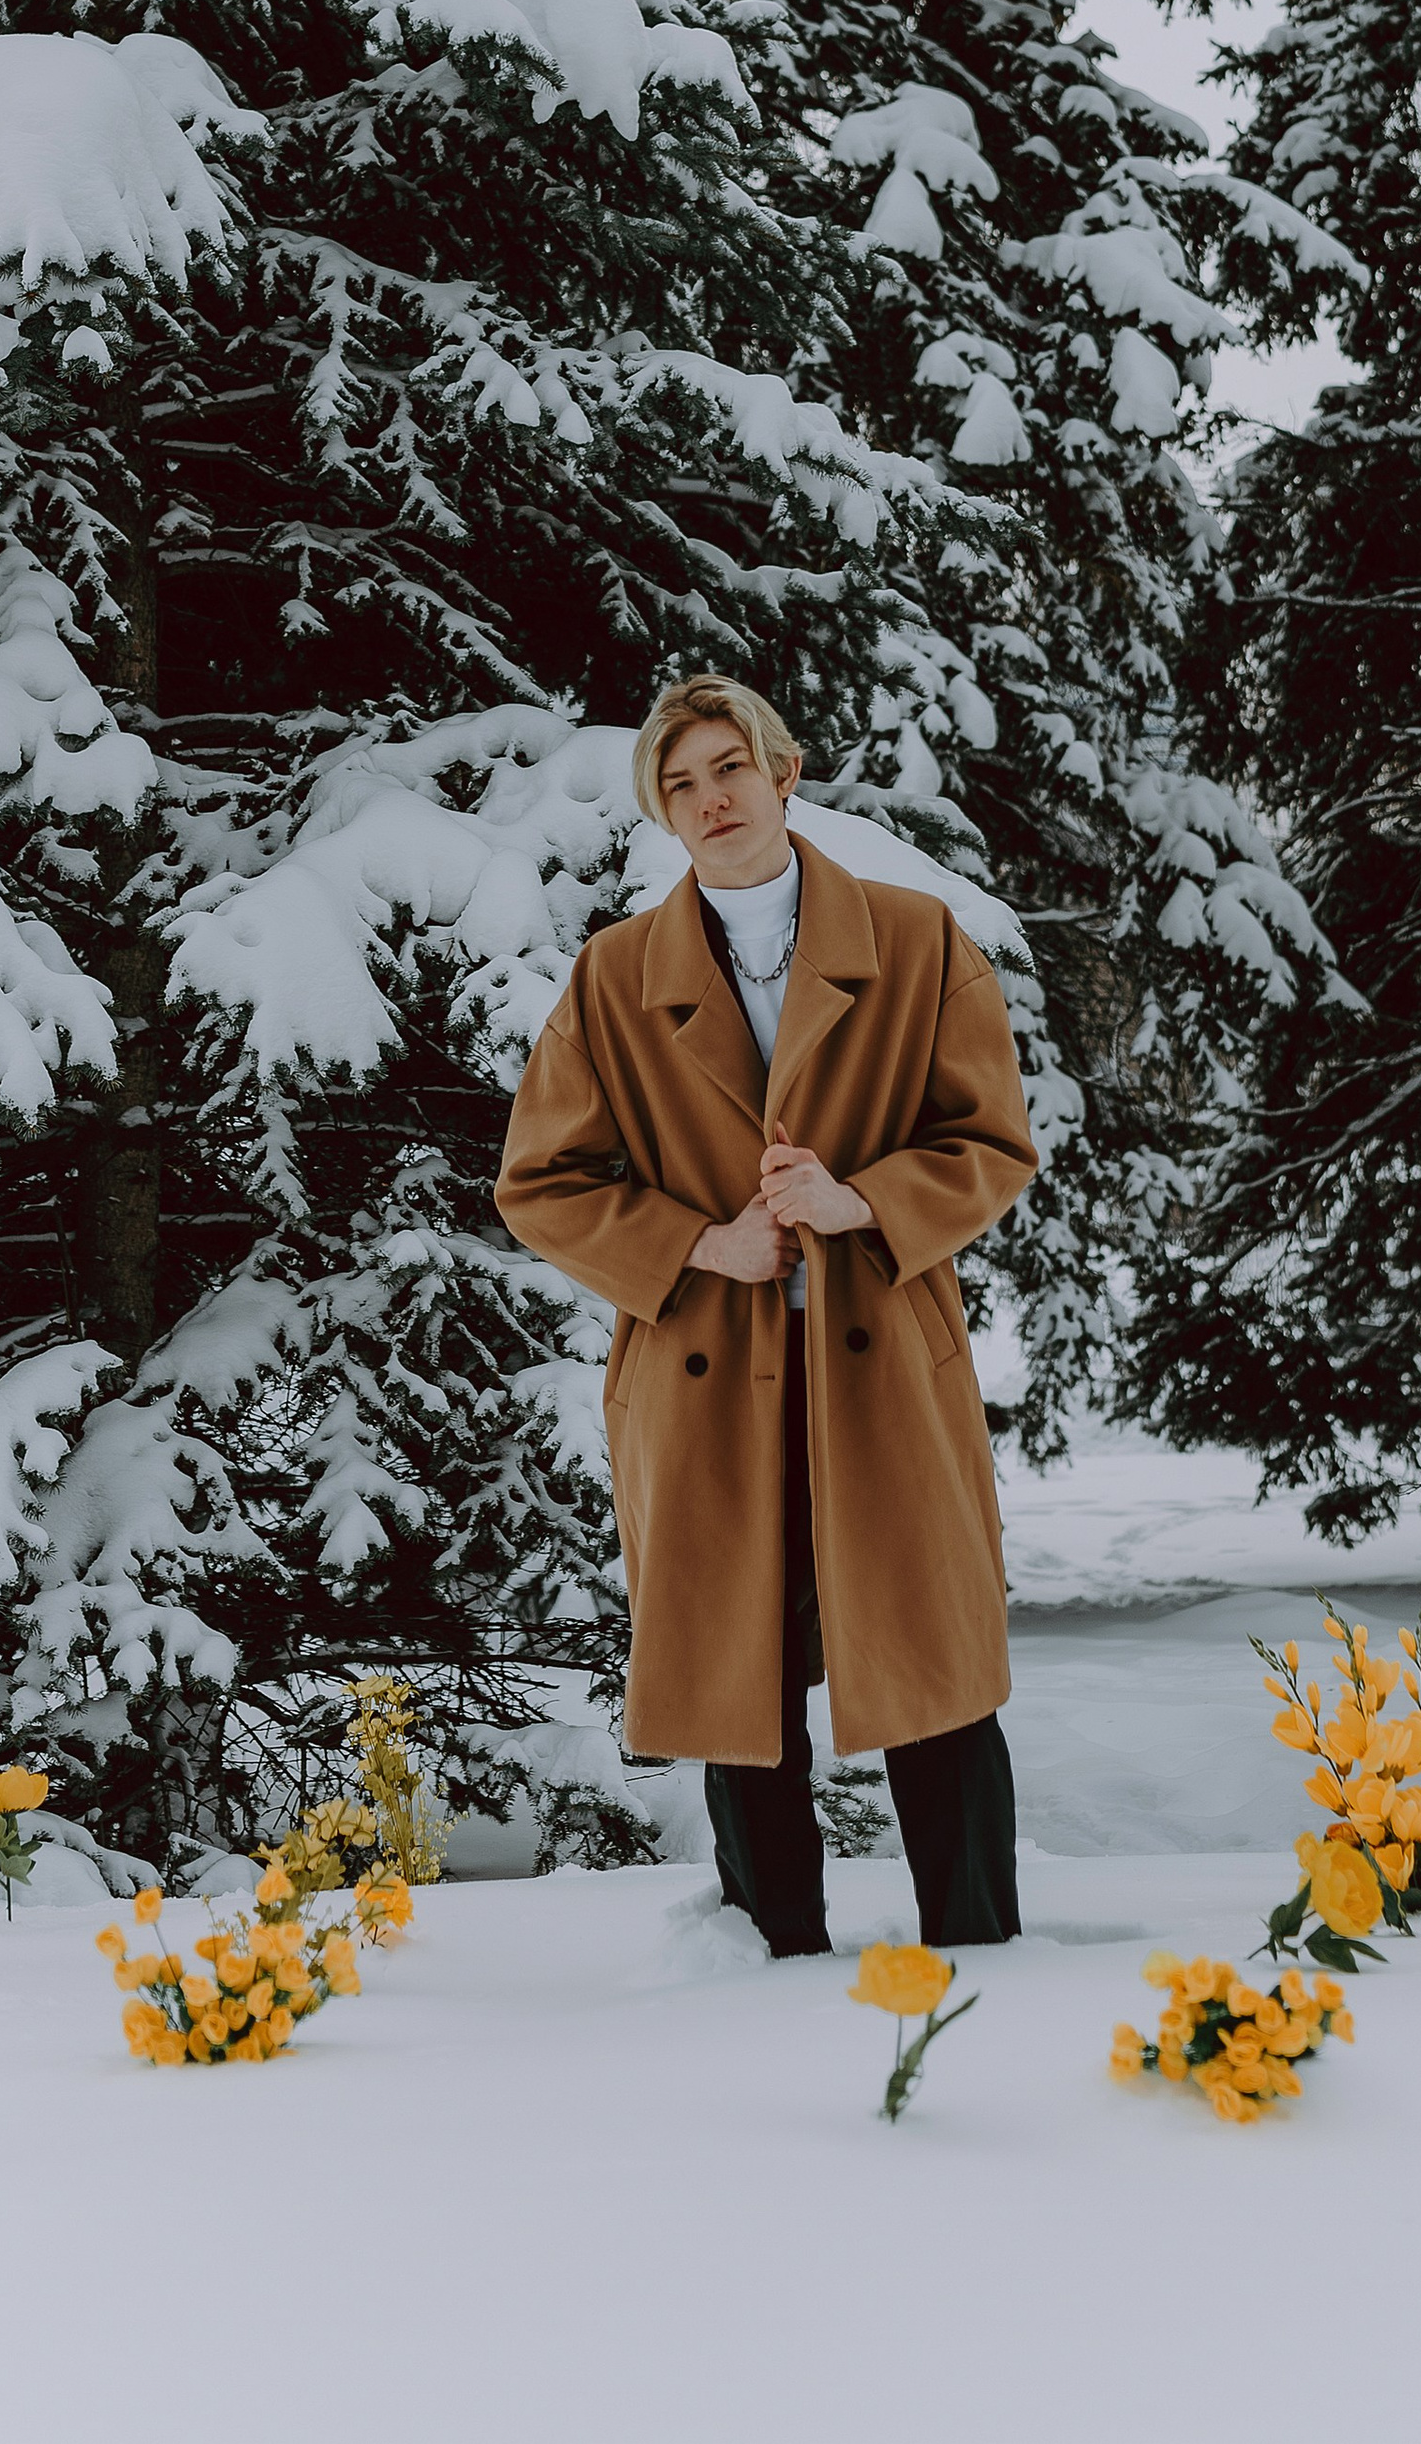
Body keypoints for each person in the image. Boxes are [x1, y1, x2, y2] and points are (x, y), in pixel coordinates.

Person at [496, 672, 1036, 1955]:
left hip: (882, 1363)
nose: (709, 798)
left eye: (727, 767)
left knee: (930, 1663)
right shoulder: (615, 975)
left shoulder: (915, 940)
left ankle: (976, 1952)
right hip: (700, 1367)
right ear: (664, 814)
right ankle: (768, 1964)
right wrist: (699, 1242)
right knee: (735, 1679)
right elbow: (540, 1182)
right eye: (679, 784)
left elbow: (992, 1142)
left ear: (782, 774)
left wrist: (860, 1204)